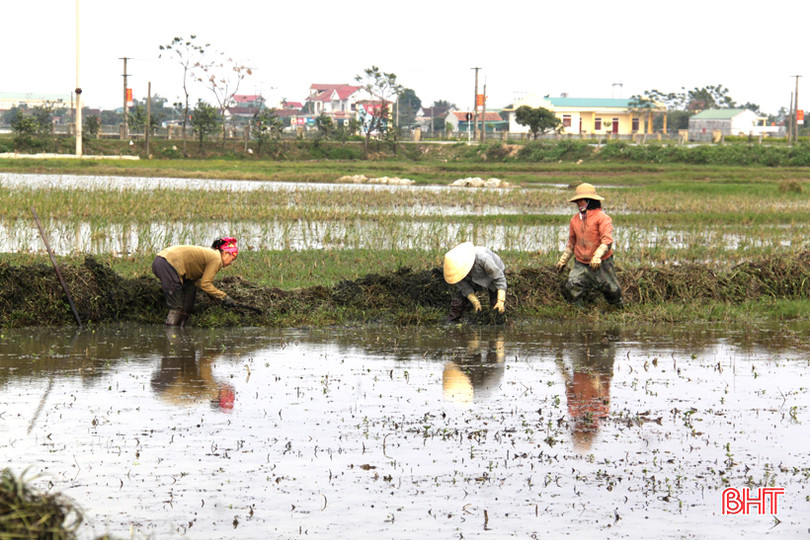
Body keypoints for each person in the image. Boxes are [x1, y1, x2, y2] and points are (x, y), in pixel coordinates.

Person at [555, 183, 623, 308]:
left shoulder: (602, 218)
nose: (580, 204)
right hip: (581, 262)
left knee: (612, 290)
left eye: (583, 201)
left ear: (590, 201)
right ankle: (579, 311)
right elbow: (572, 242)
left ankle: (617, 309)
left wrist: (597, 256)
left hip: (602, 262)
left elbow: (607, 240)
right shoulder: (575, 220)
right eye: (578, 201)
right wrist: (563, 259)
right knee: (572, 285)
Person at [151, 237, 239, 326]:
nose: (230, 263)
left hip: (161, 261)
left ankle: (183, 324)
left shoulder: (212, 255)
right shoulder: (217, 259)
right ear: (226, 253)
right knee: (176, 306)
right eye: (232, 259)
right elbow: (206, 284)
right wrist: (224, 297)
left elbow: (196, 282)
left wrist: (214, 296)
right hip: (168, 264)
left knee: (190, 288)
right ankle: (172, 332)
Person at [443, 242, 507, 323]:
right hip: (472, 279)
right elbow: (464, 287)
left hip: (492, 275)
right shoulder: (454, 271)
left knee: (496, 304)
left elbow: (499, 278)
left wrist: (501, 300)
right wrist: (475, 301)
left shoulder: (483, 259)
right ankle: (452, 323)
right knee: (458, 302)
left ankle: (500, 323)